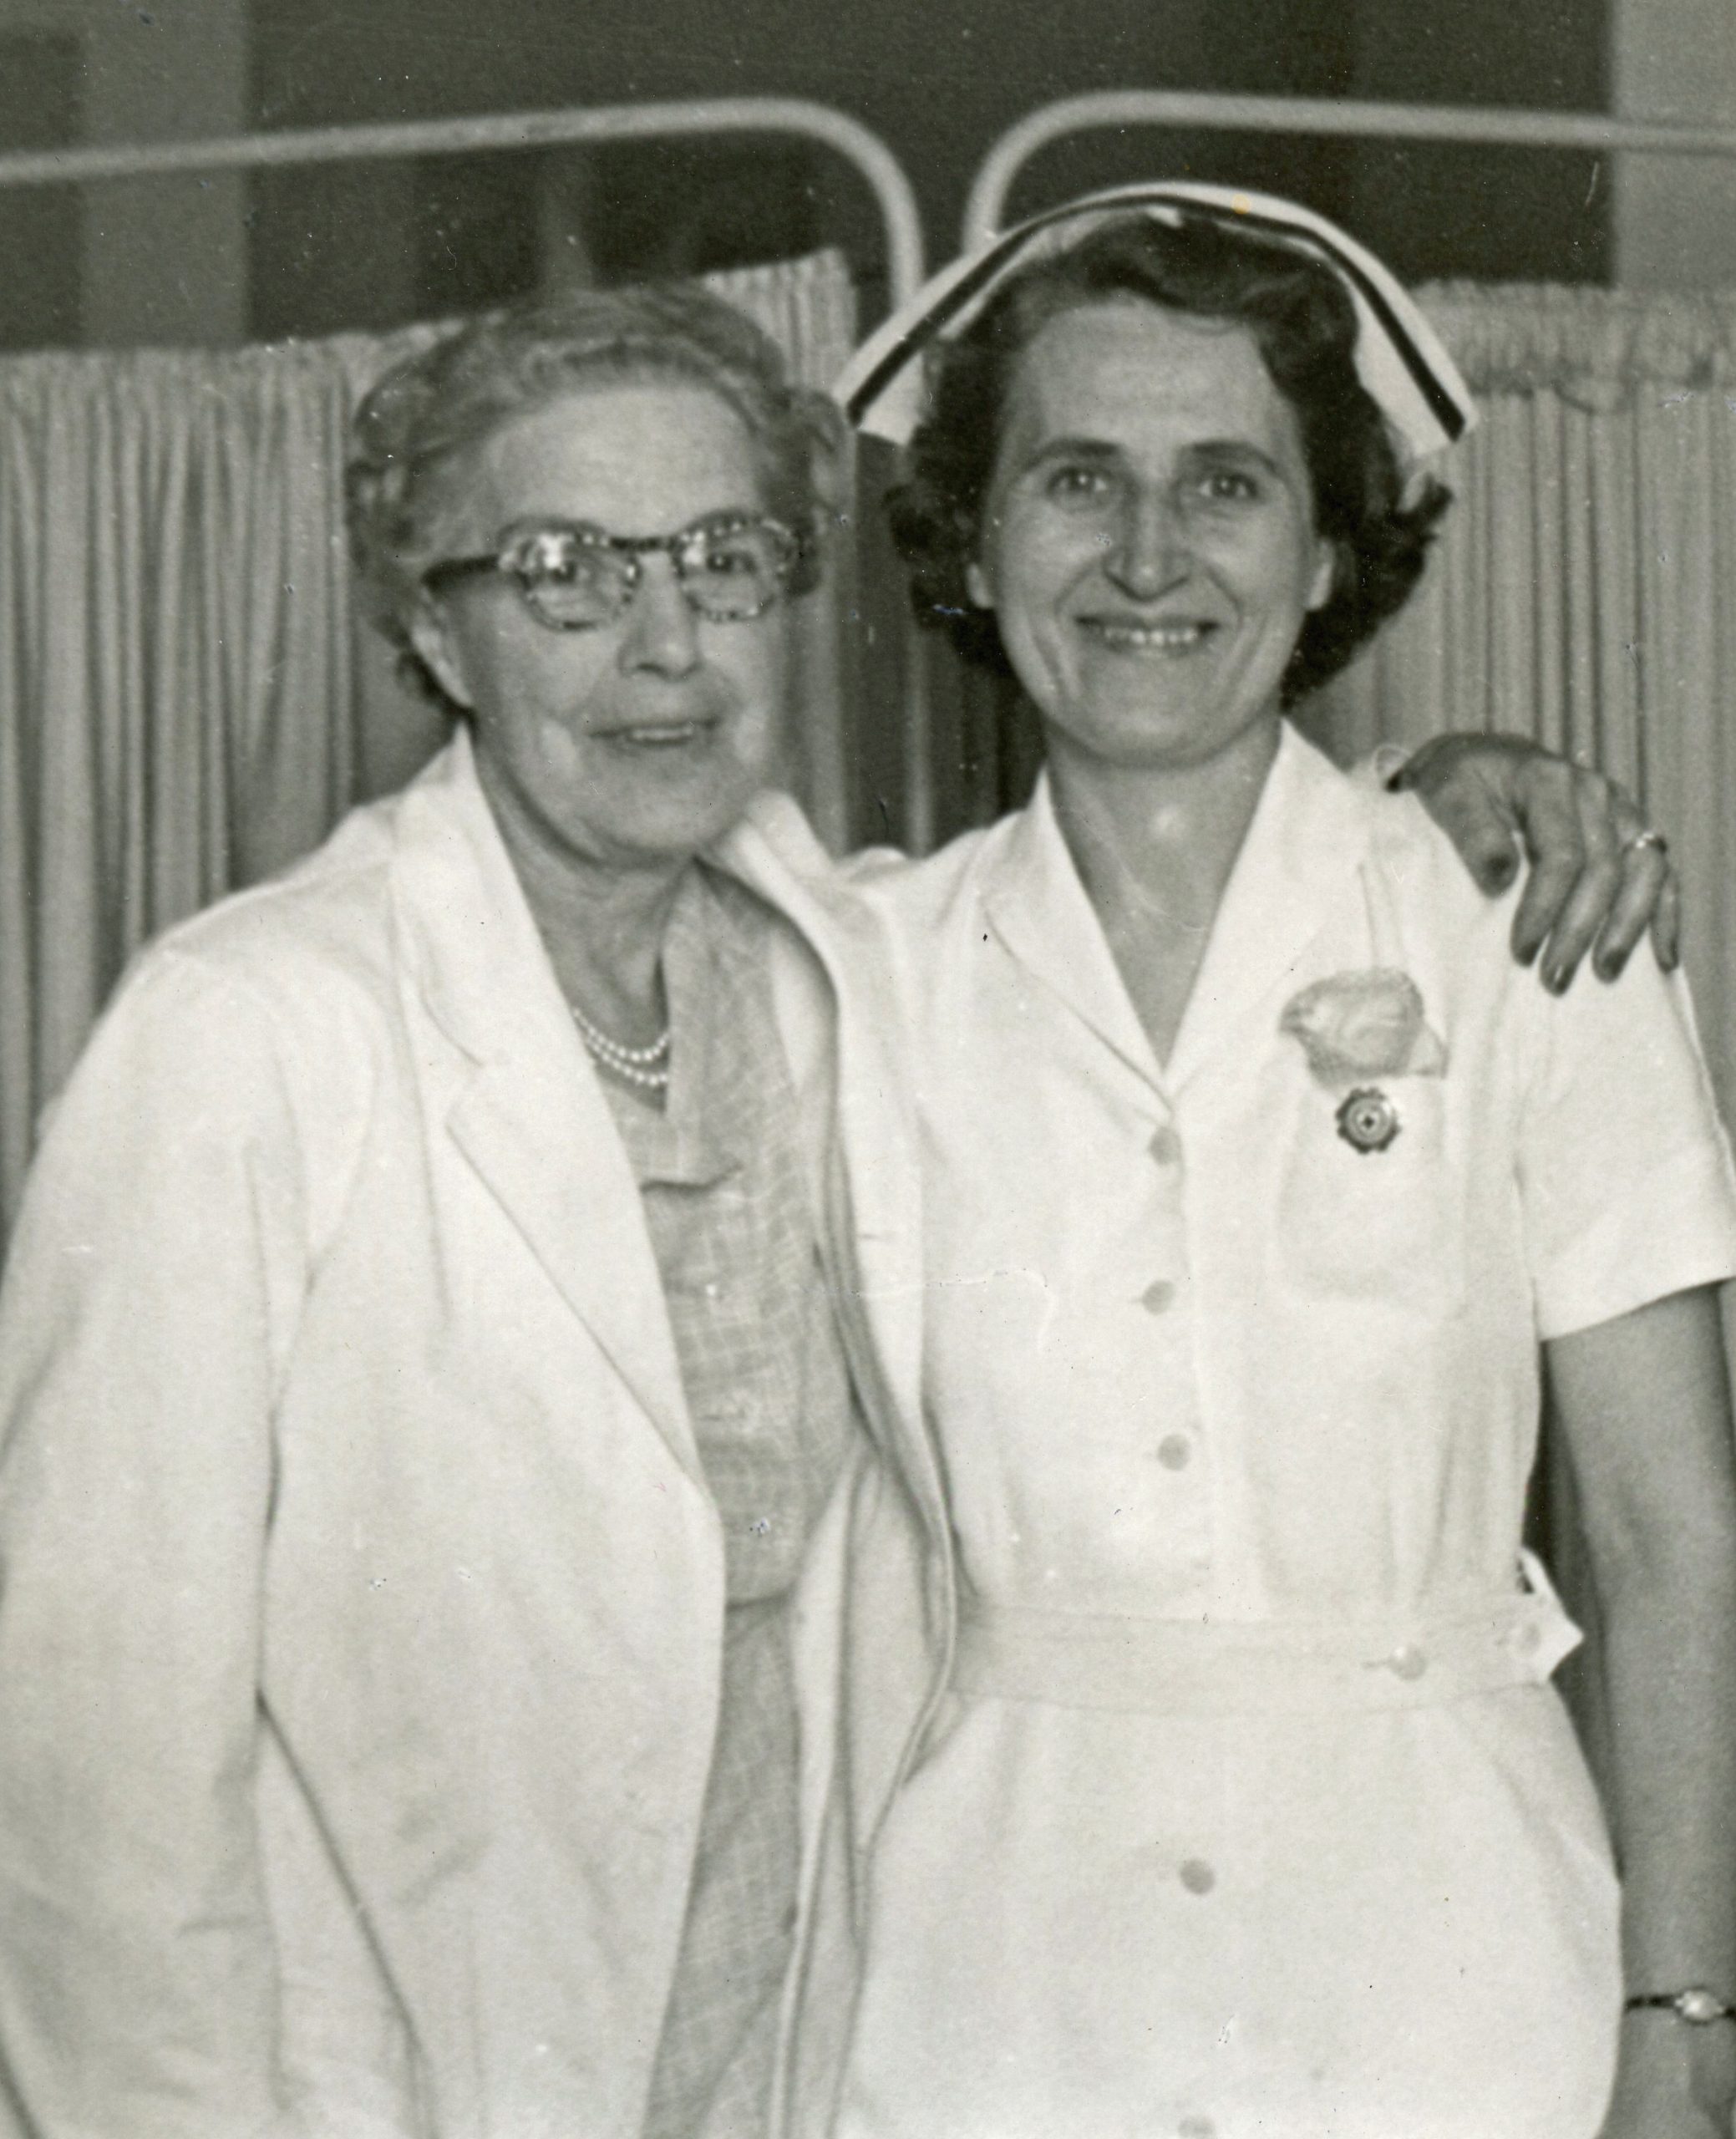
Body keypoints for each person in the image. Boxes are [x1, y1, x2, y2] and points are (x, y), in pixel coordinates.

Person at [0, 272, 1686, 2138]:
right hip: (450, 2052)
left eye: (721, 560)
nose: (663, 643)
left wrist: (1443, 798)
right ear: (435, 619)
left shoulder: (804, 963)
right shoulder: (260, 1027)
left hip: (844, 2035)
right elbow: (86, 1751)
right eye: (564, 567)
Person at [812, 185, 1736, 2139]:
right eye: (1075, 479)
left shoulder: (1525, 933)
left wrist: (1687, 2005)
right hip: (988, 1995)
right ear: (974, 540)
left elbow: (1673, 1539)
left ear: (1328, 551)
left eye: (1224, 486)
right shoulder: (853, 975)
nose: (1147, 555)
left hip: (1463, 1986)